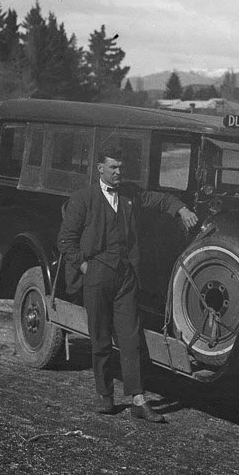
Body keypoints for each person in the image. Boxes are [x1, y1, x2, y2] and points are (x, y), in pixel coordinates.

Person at [58, 144, 199, 422]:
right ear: (100, 168)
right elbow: (65, 240)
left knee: (131, 338)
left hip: (125, 277)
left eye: (121, 167)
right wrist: (86, 267)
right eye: (113, 167)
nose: (118, 172)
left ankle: (138, 399)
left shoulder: (130, 194)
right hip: (97, 275)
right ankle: (105, 395)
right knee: (100, 337)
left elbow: (160, 200)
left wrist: (181, 209)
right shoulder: (83, 199)